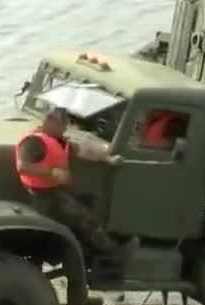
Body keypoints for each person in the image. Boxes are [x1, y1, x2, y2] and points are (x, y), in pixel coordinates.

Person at [15, 106, 138, 260]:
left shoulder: (58, 140)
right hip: (44, 195)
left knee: (90, 202)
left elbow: (83, 151)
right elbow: (23, 167)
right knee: (84, 219)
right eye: (62, 125)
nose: (65, 129)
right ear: (49, 122)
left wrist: (108, 158)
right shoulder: (34, 141)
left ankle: (87, 251)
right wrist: (52, 172)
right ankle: (111, 251)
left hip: (57, 190)